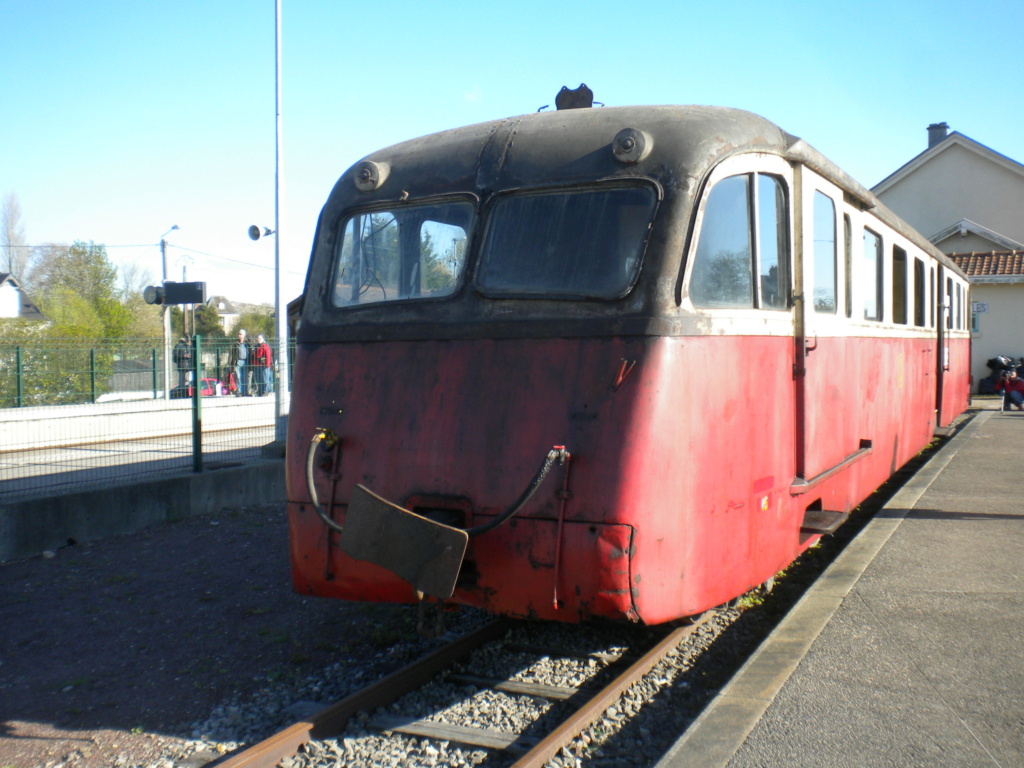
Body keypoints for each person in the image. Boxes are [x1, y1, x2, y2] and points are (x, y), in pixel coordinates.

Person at [229, 329, 248, 396]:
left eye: (241, 334)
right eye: (239, 334)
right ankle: (239, 391)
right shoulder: (235, 344)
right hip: (238, 362)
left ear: (244, 335)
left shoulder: (247, 343)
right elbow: (231, 355)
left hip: (245, 361)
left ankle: (245, 391)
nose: (239, 335)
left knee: (245, 377)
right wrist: (231, 364)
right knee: (238, 377)